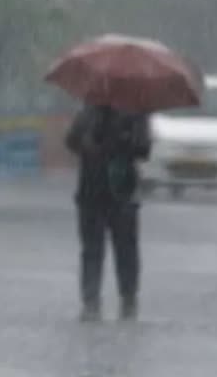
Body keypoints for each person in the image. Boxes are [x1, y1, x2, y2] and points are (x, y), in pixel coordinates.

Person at [65, 103, 151, 321]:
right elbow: (71, 142)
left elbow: (144, 149)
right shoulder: (88, 111)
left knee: (125, 251)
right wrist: (88, 143)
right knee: (93, 250)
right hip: (92, 191)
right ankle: (91, 301)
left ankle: (128, 300)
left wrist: (122, 142)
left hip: (121, 191)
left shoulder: (135, 114)